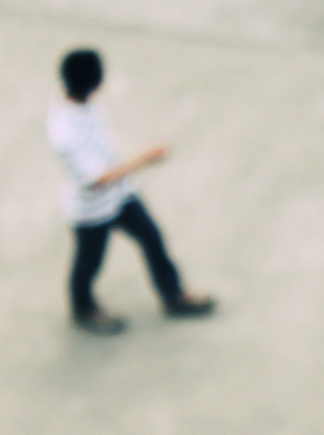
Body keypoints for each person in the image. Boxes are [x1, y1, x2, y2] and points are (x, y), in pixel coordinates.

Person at [47, 48, 214, 334]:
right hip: (91, 210)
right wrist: (144, 160)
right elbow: (96, 180)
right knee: (89, 264)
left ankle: (173, 296)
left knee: (153, 239)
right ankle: (82, 309)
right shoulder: (64, 133)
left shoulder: (85, 103)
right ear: (95, 83)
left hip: (121, 196)